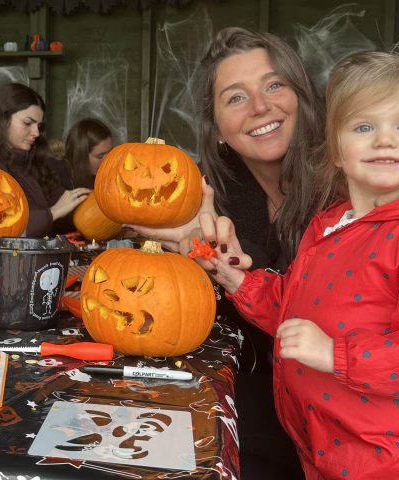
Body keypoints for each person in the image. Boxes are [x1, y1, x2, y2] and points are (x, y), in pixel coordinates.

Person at [205, 48, 399, 478]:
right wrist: (239, 281)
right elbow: (295, 304)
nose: (385, 139)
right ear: (336, 148)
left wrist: (336, 354)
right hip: (327, 443)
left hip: (397, 458)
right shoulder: (332, 224)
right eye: (363, 127)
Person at [132, 27, 325, 479]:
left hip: (343, 405)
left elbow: (318, 302)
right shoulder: (216, 199)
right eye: (236, 97)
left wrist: (235, 257)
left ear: (303, 96)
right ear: (217, 127)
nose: (261, 107)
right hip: (268, 399)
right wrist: (192, 249)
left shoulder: (350, 179)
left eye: (275, 85)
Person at [0, 83, 90, 237]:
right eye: (27, 123)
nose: (36, 133)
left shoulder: (32, 160)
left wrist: (100, 211)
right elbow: (0, 231)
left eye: (39, 126)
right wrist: (52, 213)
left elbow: (66, 205)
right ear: (3, 119)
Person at [64, 117, 114, 189]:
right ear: (81, 156)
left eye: (110, 153)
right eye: (100, 156)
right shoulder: (60, 180)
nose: (107, 161)